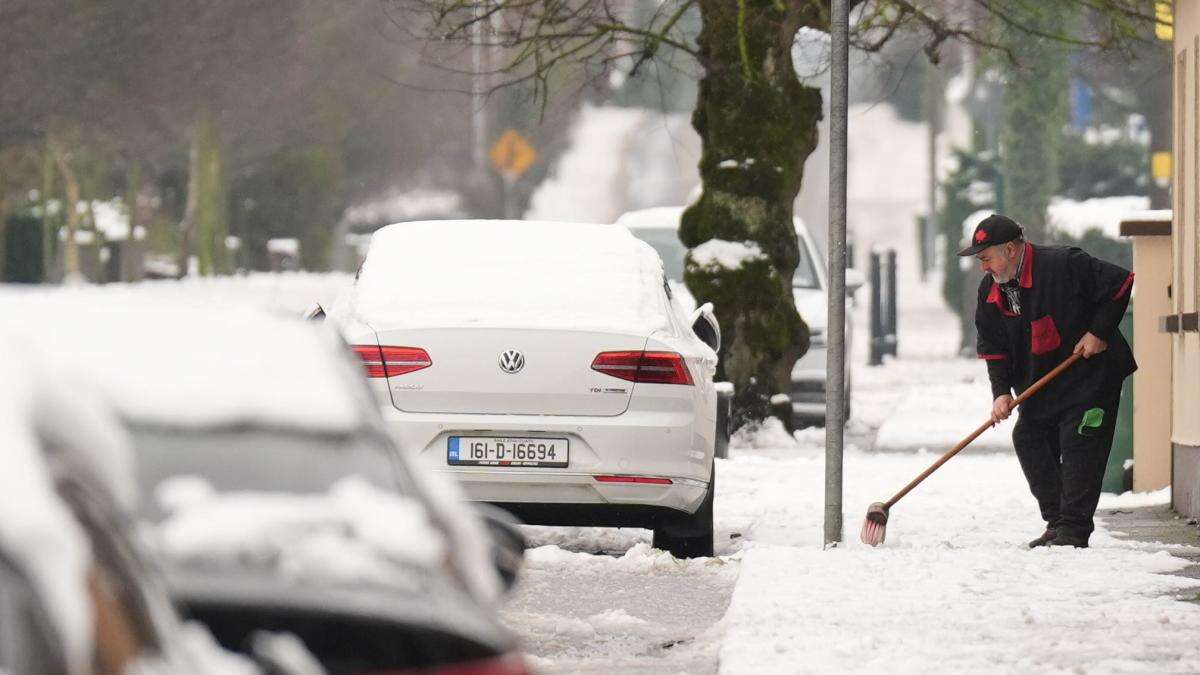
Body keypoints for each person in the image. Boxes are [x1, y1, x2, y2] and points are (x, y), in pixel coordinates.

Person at [959, 214, 1136, 549]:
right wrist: (1000, 394)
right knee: (1028, 436)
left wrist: (1099, 332)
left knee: (1079, 444)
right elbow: (994, 348)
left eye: (986, 257)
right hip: (1043, 382)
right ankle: (1057, 521)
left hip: (1091, 376)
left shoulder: (1063, 264)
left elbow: (1120, 283)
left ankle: (1073, 529)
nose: (983, 266)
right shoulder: (990, 292)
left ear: (1010, 250)